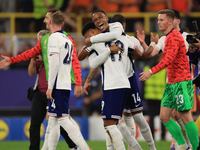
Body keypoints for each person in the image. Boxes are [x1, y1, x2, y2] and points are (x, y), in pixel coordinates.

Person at [0, 9, 84, 150]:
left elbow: (70, 62)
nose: (43, 20)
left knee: (61, 121)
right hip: (44, 91)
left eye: (46, 18)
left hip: (57, 87)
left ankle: (80, 147)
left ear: (51, 20)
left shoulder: (59, 39)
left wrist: (78, 82)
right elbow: (30, 54)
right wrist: (13, 60)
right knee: (50, 123)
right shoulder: (52, 39)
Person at [82, 10, 157, 150]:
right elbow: (94, 63)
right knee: (118, 121)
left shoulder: (127, 39)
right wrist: (87, 80)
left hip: (126, 80)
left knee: (129, 119)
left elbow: (144, 55)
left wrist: (149, 44)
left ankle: (151, 148)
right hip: (119, 81)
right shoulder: (102, 39)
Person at [139, 9, 199, 150]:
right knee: (164, 116)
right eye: (158, 19)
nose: (158, 22)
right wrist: (149, 44)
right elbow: (149, 54)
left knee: (185, 117)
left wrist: (151, 71)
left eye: (161, 20)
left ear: (171, 21)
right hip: (171, 82)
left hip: (182, 81)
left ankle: (195, 147)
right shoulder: (165, 38)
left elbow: (169, 59)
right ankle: (182, 145)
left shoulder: (175, 37)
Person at [28, 29, 80, 150]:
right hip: (40, 93)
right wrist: (32, 59)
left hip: (54, 92)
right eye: (39, 41)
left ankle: (73, 146)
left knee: (59, 122)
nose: (40, 43)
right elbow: (31, 73)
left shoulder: (55, 52)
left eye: (42, 40)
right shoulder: (37, 56)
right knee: (34, 124)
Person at [45, 10, 89, 150]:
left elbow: (54, 63)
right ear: (62, 23)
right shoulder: (68, 40)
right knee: (52, 120)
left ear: (51, 22)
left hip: (57, 84)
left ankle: (84, 147)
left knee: (63, 119)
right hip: (64, 83)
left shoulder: (53, 38)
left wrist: (50, 86)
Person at [142, 54, 166, 140]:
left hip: (150, 97)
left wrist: (143, 97)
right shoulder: (164, 70)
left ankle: (152, 136)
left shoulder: (147, 69)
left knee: (151, 118)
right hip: (161, 97)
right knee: (163, 118)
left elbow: (143, 84)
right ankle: (163, 136)